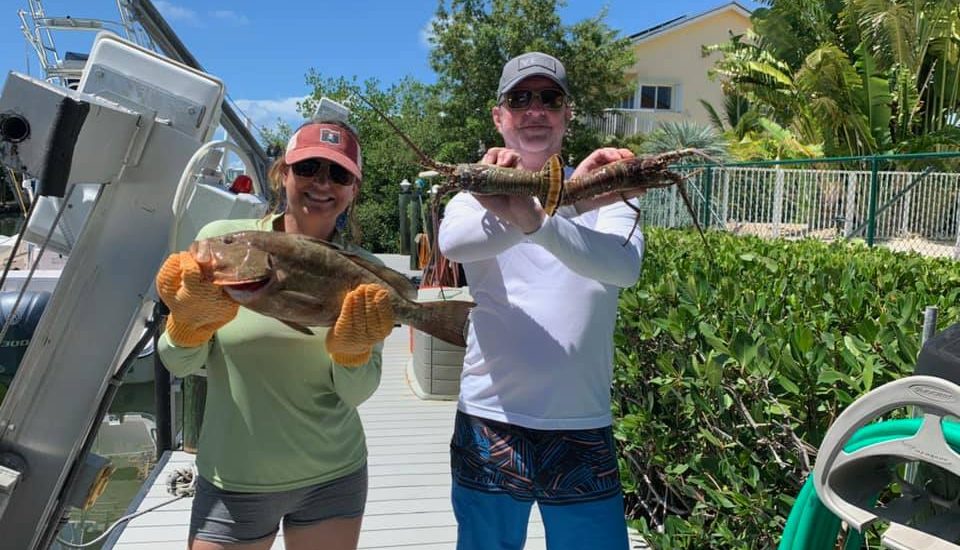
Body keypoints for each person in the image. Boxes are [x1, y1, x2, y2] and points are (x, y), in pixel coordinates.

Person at [156, 116, 394, 550]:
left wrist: (353, 352)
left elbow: (356, 393)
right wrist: (188, 324)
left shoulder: (362, 275)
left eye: (339, 173)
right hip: (234, 480)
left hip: (334, 476)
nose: (322, 183)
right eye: (307, 168)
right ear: (282, 173)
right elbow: (178, 362)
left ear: (353, 190)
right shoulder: (223, 245)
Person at [438, 51, 643, 550]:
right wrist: (562, 201)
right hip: (491, 419)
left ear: (567, 113)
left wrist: (539, 212)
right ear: (499, 115)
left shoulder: (612, 189)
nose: (535, 109)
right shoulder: (471, 193)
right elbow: (456, 243)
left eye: (549, 98)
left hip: (582, 423)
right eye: (520, 98)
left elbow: (622, 266)